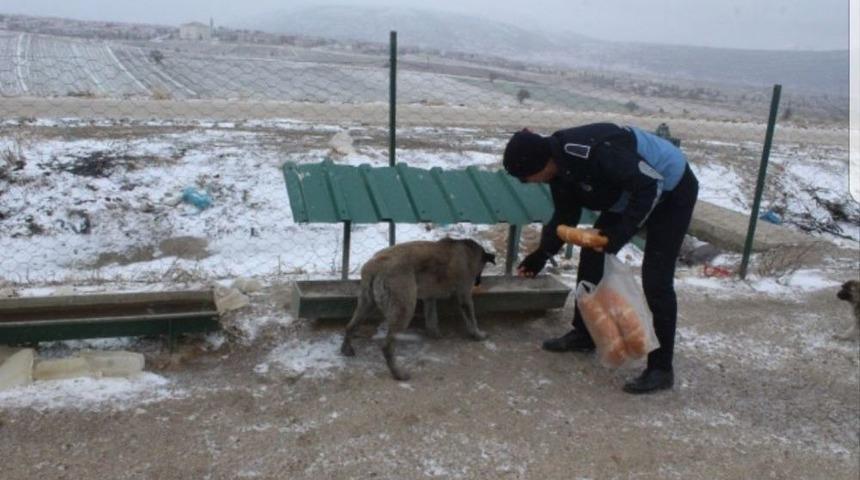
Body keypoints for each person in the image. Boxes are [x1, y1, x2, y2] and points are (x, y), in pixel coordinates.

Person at [503, 123, 699, 394]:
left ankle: (661, 368)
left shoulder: (594, 151)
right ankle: (585, 333)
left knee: (657, 279)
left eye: (526, 176)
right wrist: (542, 254)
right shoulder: (559, 170)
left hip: (670, 188)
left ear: (541, 162)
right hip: (631, 194)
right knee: (593, 254)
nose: (527, 182)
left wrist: (621, 233)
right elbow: (565, 217)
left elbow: (651, 183)